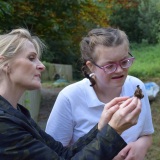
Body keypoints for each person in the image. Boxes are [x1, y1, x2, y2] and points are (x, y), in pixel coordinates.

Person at [0, 28, 142, 160]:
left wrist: (101, 127)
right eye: (31, 58)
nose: (42, 66)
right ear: (4, 63)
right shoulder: (4, 122)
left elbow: (63, 154)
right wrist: (113, 131)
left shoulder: (17, 114)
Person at [46, 27, 154, 160]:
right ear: (91, 66)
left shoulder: (137, 87)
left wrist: (141, 146)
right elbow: (54, 154)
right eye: (109, 66)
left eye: (124, 61)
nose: (119, 70)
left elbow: (147, 135)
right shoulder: (69, 97)